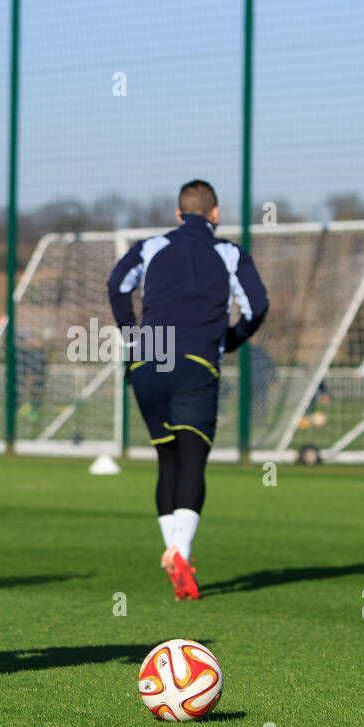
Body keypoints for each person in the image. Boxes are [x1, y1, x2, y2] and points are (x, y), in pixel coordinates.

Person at [107, 180, 269, 599]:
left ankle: (172, 551)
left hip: (148, 359)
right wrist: (232, 338)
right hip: (196, 360)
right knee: (193, 459)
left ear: (179, 214)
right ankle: (180, 550)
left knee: (168, 461)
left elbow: (116, 284)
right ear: (214, 213)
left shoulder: (150, 246)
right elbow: (258, 305)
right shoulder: (229, 252)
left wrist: (132, 336)